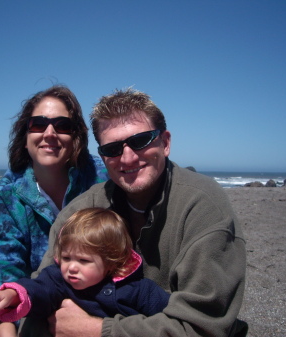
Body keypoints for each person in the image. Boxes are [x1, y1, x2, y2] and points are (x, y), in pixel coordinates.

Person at [25, 88, 248, 337]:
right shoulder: (80, 213)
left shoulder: (202, 207)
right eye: (112, 149)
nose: (128, 158)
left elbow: (203, 326)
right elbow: (41, 293)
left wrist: (97, 330)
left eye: (140, 141)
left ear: (165, 143)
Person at [0, 85, 108, 337]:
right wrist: (7, 329)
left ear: (76, 138)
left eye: (62, 125)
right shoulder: (6, 194)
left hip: (101, 293)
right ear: (24, 137)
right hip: (38, 295)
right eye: (38, 124)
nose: (50, 133)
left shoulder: (101, 176)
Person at [0, 208, 170, 332]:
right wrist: (13, 295)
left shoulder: (138, 290)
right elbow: (38, 290)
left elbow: (171, 317)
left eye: (83, 260)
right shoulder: (58, 281)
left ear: (111, 262)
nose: (71, 267)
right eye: (66, 258)